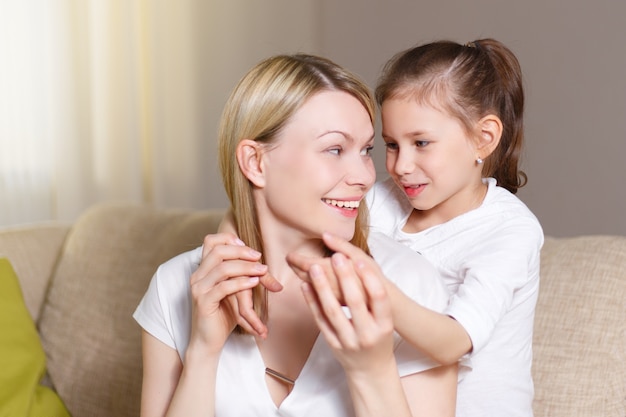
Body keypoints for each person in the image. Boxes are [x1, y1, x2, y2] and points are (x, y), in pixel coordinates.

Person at [133, 53, 458, 417]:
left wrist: (372, 373)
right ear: (256, 163)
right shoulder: (175, 286)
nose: (365, 177)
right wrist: (203, 353)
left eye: (366, 150)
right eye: (335, 149)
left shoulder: (409, 284)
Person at [289, 38, 543, 417]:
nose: (401, 165)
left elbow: (451, 343)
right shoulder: (382, 202)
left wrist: (380, 290)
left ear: (484, 138)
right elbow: (299, 224)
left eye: (421, 143)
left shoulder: (510, 231)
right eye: (391, 145)